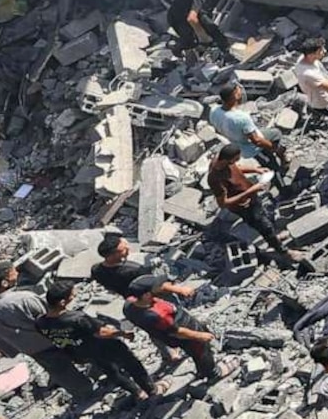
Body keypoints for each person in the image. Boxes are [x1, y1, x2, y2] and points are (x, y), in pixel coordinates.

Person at [93, 232, 217, 383]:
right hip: (150, 299)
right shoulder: (132, 270)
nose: (128, 248)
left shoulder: (97, 270)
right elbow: (157, 287)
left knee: (153, 329)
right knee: (172, 322)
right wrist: (180, 289)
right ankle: (205, 364)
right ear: (113, 254)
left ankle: (168, 355)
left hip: (133, 300)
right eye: (123, 248)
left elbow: (111, 288)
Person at [33, 280, 158, 399]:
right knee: (132, 364)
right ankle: (150, 389)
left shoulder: (40, 322)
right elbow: (101, 333)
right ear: (62, 302)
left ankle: (136, 392)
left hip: (82, 352)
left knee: (111, 372)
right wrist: (123, 333)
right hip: (105, 346)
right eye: (71, 295)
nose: (74, 296)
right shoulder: (77, 318)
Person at [208, 145, 303, 266]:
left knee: (265, 217)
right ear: (228, 159)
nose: (238, 160)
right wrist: (251, 191)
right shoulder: (214, 179)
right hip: (243, 206)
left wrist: (255, 169)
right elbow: (223, 203)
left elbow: (237, 168)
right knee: (264, 227)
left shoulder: (223, 161)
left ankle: (275, 237)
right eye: (236, 158)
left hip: (251, 196)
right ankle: (285, 252)